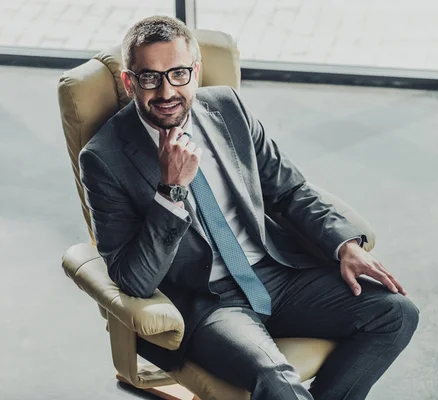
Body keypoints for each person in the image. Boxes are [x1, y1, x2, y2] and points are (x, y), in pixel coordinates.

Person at [79, 15, 419, 400]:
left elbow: (289, 191)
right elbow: (132, 279)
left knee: (396, 314)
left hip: (275, 274)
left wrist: (345, 246)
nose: (166, 90)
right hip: (209, 303)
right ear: (129, 81)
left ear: (196, 70)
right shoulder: (103, 158)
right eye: (149, 77)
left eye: (177, 74)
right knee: (277, 381)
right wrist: (170, 191)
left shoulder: (228, 107)